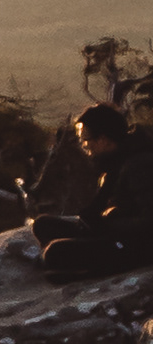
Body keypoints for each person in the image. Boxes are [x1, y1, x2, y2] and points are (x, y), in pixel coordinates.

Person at [35, 103, 150, 279]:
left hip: (137, 244)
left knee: (55, 253)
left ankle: (93, 268)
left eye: (86, 140)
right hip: (115, 232)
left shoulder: (140, 165)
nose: (84, 146)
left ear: (103, 139)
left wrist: (110, 222)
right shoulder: (115, 162)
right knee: (43, 225)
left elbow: (148, 223)